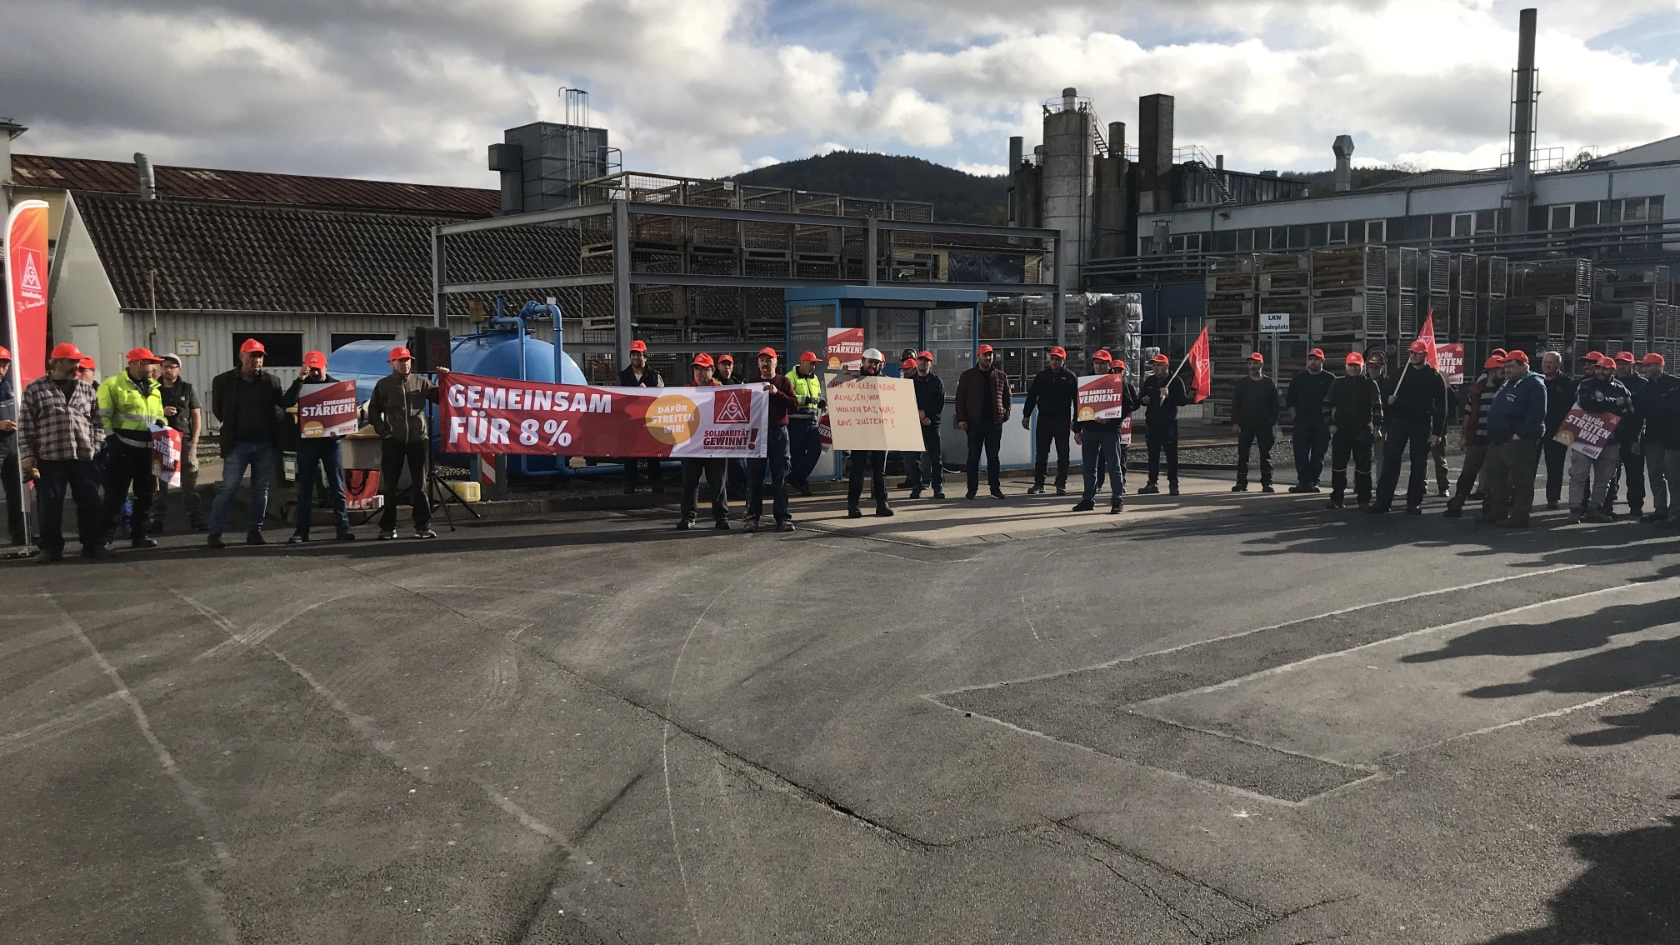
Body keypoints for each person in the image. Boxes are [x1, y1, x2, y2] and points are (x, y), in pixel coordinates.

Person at [18, 344, 105, 561]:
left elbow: (97, 421)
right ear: (56, 363)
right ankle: (50, 548)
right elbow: (26, 424)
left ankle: (93, 545)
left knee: (90, 501)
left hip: (83, 456)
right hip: (49, 456)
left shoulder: (86, 389)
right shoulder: (35, 389)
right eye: (72, 361)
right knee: (50, 504)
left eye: (78, 362)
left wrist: (96, 445)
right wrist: (27, 454)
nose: (77, 366)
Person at [208, 338, 285, 548]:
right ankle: (215, 533)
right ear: (241, 356)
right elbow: (218, 410)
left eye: (260, 357)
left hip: (265, 446)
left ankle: (255, 532)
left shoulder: (272, 382)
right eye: (252, 356)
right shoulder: (223, 381)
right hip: (237, 445)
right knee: (228, 489)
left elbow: (280, 409)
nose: (256, 360)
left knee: (261, 490)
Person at [369, 345, 443, 540]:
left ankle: (423, 526)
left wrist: (445, 379)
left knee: (420, 484)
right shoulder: (384, 385)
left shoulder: (421, 382)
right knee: (391, 485)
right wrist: (383, 432)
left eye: (407, 360)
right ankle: (388, 527)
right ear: (392, 363)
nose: (405, 364)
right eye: (400, 361)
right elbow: (373, 410)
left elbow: (442, 398)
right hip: (393, 441)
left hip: (418, 440)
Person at [96, 347, 167, 549]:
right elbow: (102, 416)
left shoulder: (154, 388)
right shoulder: (112, 385)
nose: (155, 368)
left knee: (146, 495)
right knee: (115, 496)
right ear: (139, 363)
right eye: (151, 363)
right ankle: (105, 539)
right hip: (123, 449)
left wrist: (161, 422)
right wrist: (111, 439)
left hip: (149, 449)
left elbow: (159, 414)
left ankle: (140, 535)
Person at [282, 350, 356, 544]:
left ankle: (343, 527)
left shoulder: (337, 387)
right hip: (307, 444)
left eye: (317, 369)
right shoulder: (302, 385)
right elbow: (286, 402)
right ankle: (302, 530)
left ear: (326, 366)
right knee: (305, 489)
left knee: (337, 486)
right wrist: (299, 379)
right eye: (311, 369)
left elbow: (346, 416)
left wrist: (340, 433)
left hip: (331, 443)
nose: (314, 373)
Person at [1370, 340, 1447, 515]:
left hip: (1422, 423)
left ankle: (1414, 502)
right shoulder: (1400, 373)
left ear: (1425, 355)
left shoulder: (1434, 377)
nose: (1413, 356)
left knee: (1419, 463)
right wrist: (1389, 400)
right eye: (1411, 353)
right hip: (1400, 421)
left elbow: (1442, 407)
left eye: (1417, 353)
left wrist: (1437, 433)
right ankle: (1383, 501)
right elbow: (1386, 394)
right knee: (1391, 461)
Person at [1479, 350, 1547, 527]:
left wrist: (1520, 434)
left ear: (1524, 365)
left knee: (1521, 479)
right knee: (1495, 477)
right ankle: (1498, 511)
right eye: (1505, 366)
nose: (1507, 370)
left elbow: (1537, 414)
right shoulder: (1509, 383)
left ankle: (1520, 516)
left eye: (1511, 366)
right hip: (1498, 440)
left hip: (1517, 441)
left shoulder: (1534, 384)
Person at [1567, 355, 1633, 524]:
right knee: (1578, 475)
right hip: (1585, 437)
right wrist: (1613, 403)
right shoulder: (1586, 384)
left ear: (1612, 371)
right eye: (1598, 368)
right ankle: (1575, 509)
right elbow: (1586, 403)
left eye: (1605, 369)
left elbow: (1629, 410)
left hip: (1611, 440)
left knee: (1604, 479)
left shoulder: (1620, 388)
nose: (1601, 371)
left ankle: (1595, 509)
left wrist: (1603, 405)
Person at [1071, 349, 1135, 514]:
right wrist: (1077, 429)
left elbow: (1129, 405)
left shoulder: (1118, 381)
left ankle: (1117, 500)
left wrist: (1111, 420)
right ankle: (1088, 499)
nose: (1099, 366)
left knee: (1114, 466)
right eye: (1096, 363)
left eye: (1102, 363)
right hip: (1089, 430)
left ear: (1109, 365)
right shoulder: (1086, 381)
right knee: (1089, 468)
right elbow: (1079, 405)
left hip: (1110, 431)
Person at [149, 353, 204, 533]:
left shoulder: (187, 388)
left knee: (190, 482)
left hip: (184, 440)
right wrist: (161, 411)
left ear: (179, 370)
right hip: (161, 440)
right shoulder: (153, 389)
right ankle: (157, 520)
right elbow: (146, 412)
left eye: (172, 367)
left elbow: (196, 414)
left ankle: (195, 517)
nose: (168, 370)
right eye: (165, 366)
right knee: (160, 483)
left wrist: (194, 440)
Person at [1444, 355, 1505, 518]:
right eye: (1501, 371)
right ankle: (1458, 502)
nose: (1505, 374)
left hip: (1495, 441)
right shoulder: (1476, 390)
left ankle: (1489, 506)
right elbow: (1467, 415)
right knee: (1467, 473)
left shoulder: (1505, 390)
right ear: (1491, 372)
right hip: (1477, 439)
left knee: (1494, 475)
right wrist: (1464, 436)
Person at [745, 347, 798, 532]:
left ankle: (782, 517)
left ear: (776, 362)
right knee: (754, 477)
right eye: (762, 360)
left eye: (769, 360)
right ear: (758, 364)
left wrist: (777, 393)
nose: (765, 363)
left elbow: (794, 406)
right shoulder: (752, 383)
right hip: (757, 434)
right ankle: (752, 517)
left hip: (779, 433)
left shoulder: (784, 382)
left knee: (780, 477)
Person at [1324, 351, 1383, 510]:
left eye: (1357, 365)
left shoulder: (1370, 384)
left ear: (1363, 366)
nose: (1354, 368)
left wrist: (1377, 428)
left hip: (1363, 430)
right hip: (1342, 430)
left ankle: (1364, 500)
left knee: (1364, 468)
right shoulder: (1338, 383)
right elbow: (1326, 405)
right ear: (1346, 366)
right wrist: (1330, 424)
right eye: (1351, 365)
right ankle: (1337, 498)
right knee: (1338, 467)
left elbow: (1377, 407)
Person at [677, 353, 730, 530]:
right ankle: (688, 517)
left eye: (703, 369)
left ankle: (721, 517)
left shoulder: (722, 391)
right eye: (696, 369)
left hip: (715, 444)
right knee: (689, 483)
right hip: (691, 445)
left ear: (712, 370)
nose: (699, 372)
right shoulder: (685, 391)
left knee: (718, 482)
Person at [955, 343, 1011, 500]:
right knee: (973, 457)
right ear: (978, 356)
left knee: (993, 457)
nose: (988, 358)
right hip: (975, 423)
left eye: (990, 355)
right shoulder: (968, 376)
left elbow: (1007, 396)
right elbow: (960, 398)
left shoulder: (1001, 376)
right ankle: (972, 489)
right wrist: (961, 419)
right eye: (985, 355)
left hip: (994, 423)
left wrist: (1005, 414)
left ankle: (995, 489)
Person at [1022, 345, 1078, 495]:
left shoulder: (1070, 377)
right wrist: (1026, 415)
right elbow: (1032, 396)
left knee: (1063, 453)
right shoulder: (1042, 376)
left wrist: (1075, 420)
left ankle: (1061, 483)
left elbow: (1077, 401)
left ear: (1063, 361)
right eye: (1052, 359)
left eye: (1058, 360)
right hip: (1044, 419)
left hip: (1062, 420)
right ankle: (1039, 483)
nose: (1054, 362)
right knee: (1041, 453)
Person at [845, 348, 894, 518]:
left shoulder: (886, 382)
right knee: (857, 470)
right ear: (863, 361)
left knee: (879, 470)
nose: (873, 365)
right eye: (870, 362)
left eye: (876, 363)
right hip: (860, 430)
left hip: (879, 431)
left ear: (881, 364)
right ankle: (853, 505)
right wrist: (845, 378)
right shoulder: (852, 379)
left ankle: (882, 503)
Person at [1635, 353, 1680, 524]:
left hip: (1674, 440)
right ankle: (1660, 510)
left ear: (1660, 366)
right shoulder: (1644, 390)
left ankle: (1676, 513)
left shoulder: (1675, 384)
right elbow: (1637, 415)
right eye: (1643, 366)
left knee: (1674, 478)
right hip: (1653, 439)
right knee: (1655, 476)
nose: (1644, 369)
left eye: (1648, 365)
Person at [1603, 351, 1647, 518]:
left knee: (1634, 472)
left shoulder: (1642, 384)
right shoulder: (1610, 383)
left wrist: (1637, 438)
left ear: (1633, 365)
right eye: (1619, 364)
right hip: (1612, 434)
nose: (1621, 367)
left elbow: (1642, 415)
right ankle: (1607, 505)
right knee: (1609, 472)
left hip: (1633, 434)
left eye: (1625, 364)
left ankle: (1636, 506)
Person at [619, 339, 665, 495]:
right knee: (629, 455)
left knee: (653, 454)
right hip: (629, 423)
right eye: (633, 354)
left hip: (650, 422)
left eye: (639, 354)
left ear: (645, 356)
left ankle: (657, 484)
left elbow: (662, 397)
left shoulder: (655, 376)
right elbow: (616, 398)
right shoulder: (622, 376)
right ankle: (629, 485)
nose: (635, 357)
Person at [1139, 353, 1188, 495]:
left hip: (1169, 423)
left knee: (1171, 455)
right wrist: (1144, 400)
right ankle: (1152, 482)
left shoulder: (1175, 380)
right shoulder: (1150, 381)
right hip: (1152, 423)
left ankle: (1173, 483)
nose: (1156, 368)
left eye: (1159, 365)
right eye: (1154, 366)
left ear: (1166, 366)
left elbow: (1183, 401)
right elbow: (1142, 397)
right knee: (1153, 455)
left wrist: (1169, 395)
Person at [1286, 348, 1335, 492]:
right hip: (1302, 422)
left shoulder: (1330, 379)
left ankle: (1314, 481)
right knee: (1300, 453)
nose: (1313, 362)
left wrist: (1331, 421)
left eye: (1316, 359)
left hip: (1322, 422)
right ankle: (1303, 482)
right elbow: (1290, 401)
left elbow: (1335, 402)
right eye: (1311, 359)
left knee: (1318, 454)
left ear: (1322, 361)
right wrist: (1295, 419)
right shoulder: (1299, 379)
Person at [1231, 351, 1280, 493]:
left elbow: (1275, 405)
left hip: (1264, 425)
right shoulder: (1242, 384)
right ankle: (1241, 482)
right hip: (1245, 424)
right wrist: (1235, 422)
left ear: (1262, 364)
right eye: (1250, 363)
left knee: (1265, 454)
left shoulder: (1269, 383)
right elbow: (1235, 404)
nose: (1252, 366)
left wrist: (1271, 421)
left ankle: (1267, 482)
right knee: (1243, 454)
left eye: (1255, 363)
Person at [1539, 351, 1576, 510]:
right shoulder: (1536, 381)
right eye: (1545, 362)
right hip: (1536, 429)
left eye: (1551, 362)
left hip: (1559, 431)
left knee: (1555, 466)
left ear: (1559, 364)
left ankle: (1553, 499)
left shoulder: (1568, 384)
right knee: (1528, 466)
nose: (1547, 365)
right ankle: (1521, 499)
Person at [907, 350, 945, 499]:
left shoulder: (937, 381)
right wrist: (919, 416)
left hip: (932, 423)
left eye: (926, 360)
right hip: (914, 424)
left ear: (931, 363)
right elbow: (906, 401)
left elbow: (939, 403)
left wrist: (926, 414)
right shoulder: (910, 381)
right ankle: (916, 486)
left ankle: (937, 487)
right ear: (916, 362)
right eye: (921, 360)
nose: (923, 362)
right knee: (914, 458)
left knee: (935, 457)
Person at [714, 354, 748, 501]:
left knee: (738, 459)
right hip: (720, 426)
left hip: (737, 425)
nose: (727, 367)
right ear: (718, 366)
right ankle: (736, 487)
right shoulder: (714, 382)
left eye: (729, 365)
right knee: (732, 461)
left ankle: (738, 487)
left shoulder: (739, 381)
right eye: (724, 365)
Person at [0, 346, 21, 544]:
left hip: (12, 446)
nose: (2, 369)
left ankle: (20, 534)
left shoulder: (11, 386)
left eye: (5, 364)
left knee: (16, 492)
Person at [1365, 347, 1390, 484]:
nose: (1373, 370)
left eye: (1376, 367)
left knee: (1380, 456)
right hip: (1363, 424)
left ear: (1382, 367)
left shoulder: (1389, 384)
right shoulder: (1362, 382)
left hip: (1381, 425)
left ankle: (1380, 483)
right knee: (1362, 455)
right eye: (1370, 366)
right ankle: (1361, 483)